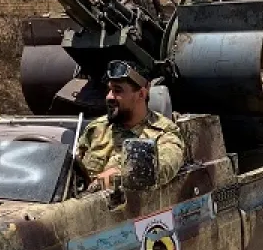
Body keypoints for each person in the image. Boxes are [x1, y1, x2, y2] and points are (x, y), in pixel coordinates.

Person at [75, 60, 185, 192]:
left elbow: (164, 166)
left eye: (117, 90)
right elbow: (74, 170)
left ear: (141, 94)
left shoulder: (163, 133)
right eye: (109, 90)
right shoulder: (98, 128)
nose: (109, 97)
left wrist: (119, 175)